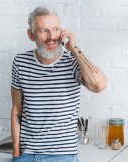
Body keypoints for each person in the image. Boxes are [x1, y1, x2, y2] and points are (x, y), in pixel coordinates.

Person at [10, 6, 107, 162]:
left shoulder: (72, 62)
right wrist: (16, 154)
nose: (51, 36)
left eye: (55, 29)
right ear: (31, 35)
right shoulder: (20, 63)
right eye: (43, 30)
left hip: (62, 156)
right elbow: (16, 109)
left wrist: (74, 49)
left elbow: (99, 85)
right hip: (26, 155)